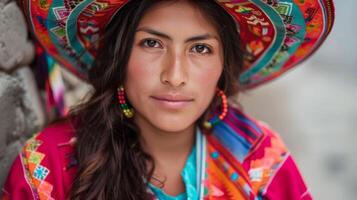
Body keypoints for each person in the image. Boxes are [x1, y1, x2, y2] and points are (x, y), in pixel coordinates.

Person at [1, 0, 335, 199]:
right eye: (151, 44)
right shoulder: (48, 167)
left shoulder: (261, 162)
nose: (174, 75)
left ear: (223, 66)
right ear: (118, 55)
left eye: (200, 48)